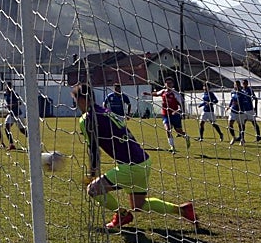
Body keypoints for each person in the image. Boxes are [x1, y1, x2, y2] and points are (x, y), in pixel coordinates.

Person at [73, 82, 197, 231]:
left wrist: (92, 174)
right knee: (139, 205)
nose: (76, 104)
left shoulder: (87, 118)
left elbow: (94, 150)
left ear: (81, 100)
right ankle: (183, 210)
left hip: (130, 166)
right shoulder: (104, 111)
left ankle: (122, 215)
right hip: (143, 160)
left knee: (92, 189)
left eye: (75, 100)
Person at [155, 77, 190, 152]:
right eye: (167, 83)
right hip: (165, 115)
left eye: (170, 83)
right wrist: (148, 93)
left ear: (173, 84)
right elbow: (156, 94)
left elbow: (182, 104)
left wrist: (179, 111)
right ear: (165, 84)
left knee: (179, 132)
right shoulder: (163, 92)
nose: (168, 84)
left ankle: (186, 137)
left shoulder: (176, 94)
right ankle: (172, 147)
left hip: (175, 115)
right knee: (168, 129)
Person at [3, 83, 28, 150]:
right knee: (6, 128)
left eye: (9, 86)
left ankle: (33, 140)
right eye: (7, 86)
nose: (7, 88)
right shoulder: (6, 95)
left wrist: (11, 105)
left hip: (18, 114)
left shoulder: (14, 94)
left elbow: (20, 103)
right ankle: (11, 144)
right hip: (11, 114)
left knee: (22, 130)